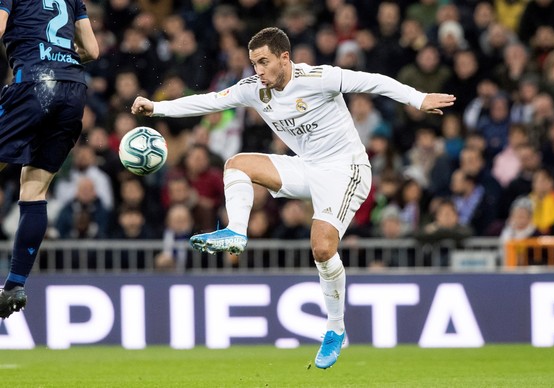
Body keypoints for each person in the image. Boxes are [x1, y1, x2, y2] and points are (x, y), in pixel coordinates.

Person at [131, 27, 455, 369]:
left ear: (285, 58)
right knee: (237, 165)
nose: (257, 70)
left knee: (322, 247)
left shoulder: (319, 78)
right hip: (307, 168)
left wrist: (418, 99)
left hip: (347, 170)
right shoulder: (255, 90)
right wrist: (156, 108)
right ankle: (237, 232)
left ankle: (335, 328)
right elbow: (210, 100)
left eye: (264, 62)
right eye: (254, 63)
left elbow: (372, 81)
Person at [0, 0, 99, 319]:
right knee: (34, 187)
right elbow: (93, 51)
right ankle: (14, 285)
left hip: (33, 82)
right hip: (73, 90)